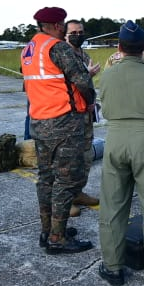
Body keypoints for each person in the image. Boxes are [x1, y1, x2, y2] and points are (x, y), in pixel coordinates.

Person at [95, 21, 144, 286]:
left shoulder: (107, 75)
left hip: (115, 139)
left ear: (119, 48)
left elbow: (103, 110)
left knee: (113, 205)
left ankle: (113, 268)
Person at [21, 6, 95, 254]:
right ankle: (57, 238)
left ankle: (48, 230)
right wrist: (91, 99)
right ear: (55, 26)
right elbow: (82, 80)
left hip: (40, 122)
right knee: (65, 180)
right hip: (64, 122)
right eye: (62, 24)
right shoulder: (58, 47)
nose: (64, 28)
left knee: (46, 178)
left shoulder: (29, 49)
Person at [64, 20, 101, 214]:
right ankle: (66, 199)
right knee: (69, 158)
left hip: (86, 113)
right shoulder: (63, 56)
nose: (78, 35)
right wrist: (88, 75)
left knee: (85, 156)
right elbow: (68, 85)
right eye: (73, 32)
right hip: (70, 115)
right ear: (65, 34)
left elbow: (85, 84)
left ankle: (78, 192)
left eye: (80, 32)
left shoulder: (84, 55)